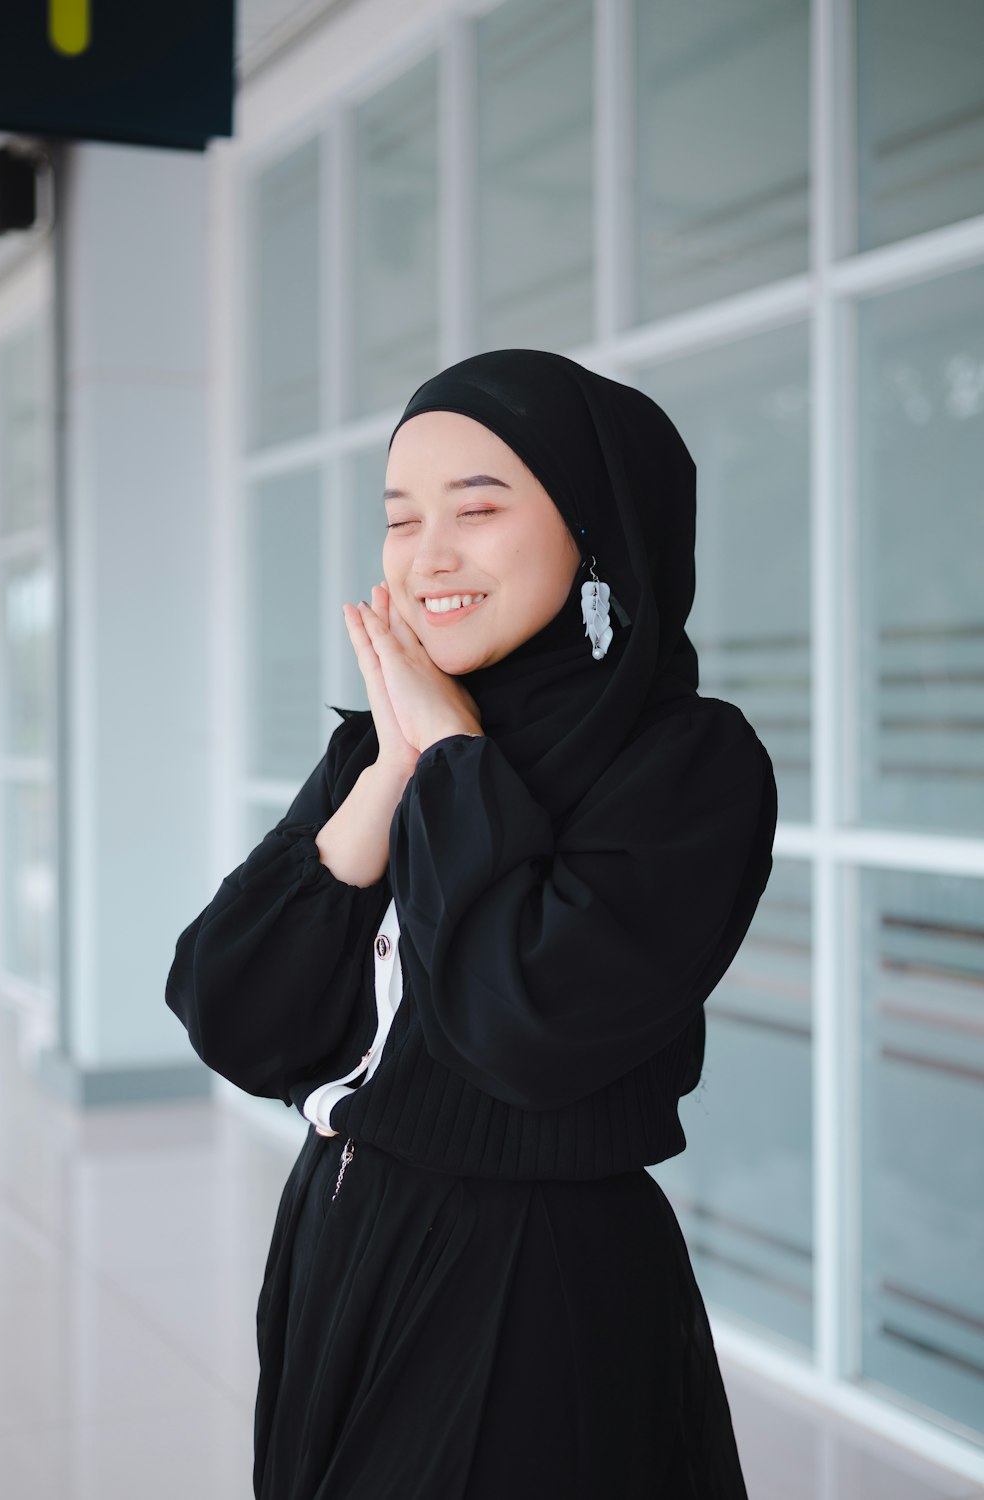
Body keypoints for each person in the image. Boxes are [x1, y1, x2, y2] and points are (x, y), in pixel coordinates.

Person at [165, 347, 778, 1499]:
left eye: (477, 509)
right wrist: (394, 766)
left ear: (593, 533)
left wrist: (452, 759)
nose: (426, 555)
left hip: (531, 1280)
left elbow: (524, 1023)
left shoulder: (687, 763)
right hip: (338, 1238)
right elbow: (232, 1015)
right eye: (400, 519)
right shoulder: (379, 743)